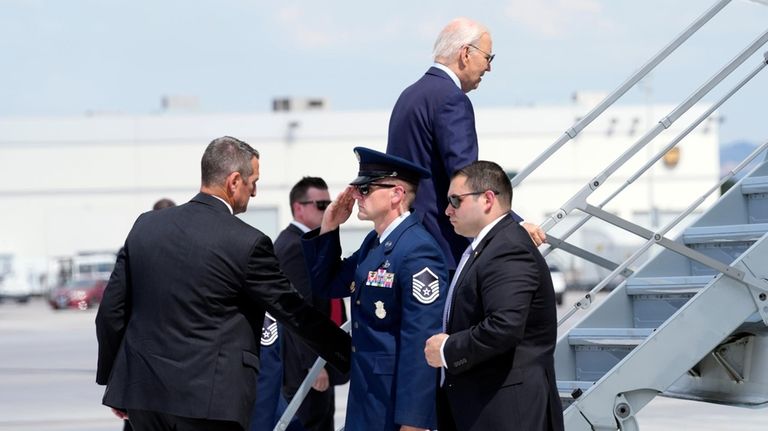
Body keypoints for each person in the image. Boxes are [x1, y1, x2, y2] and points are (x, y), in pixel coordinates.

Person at [95, 136, 351, 431]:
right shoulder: (246, 242)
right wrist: (350, 353)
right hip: (210, 402)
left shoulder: (146, 226)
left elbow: (111, 312)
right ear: (233, 181)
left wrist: (114, 379)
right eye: (253, 182)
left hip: (144, 395)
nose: (254, 192)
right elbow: (292, 310)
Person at [302, 147, 448, 431]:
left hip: (393, 405)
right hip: (366, 398)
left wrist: (414, 422)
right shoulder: (375, 242)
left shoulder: (417, 250)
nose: (356, 195)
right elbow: (327, 284)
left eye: (365, 189)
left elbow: (419, 341)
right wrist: (329, 226)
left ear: (396, 194)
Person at [386, 17, 545, 269]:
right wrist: (512, 223)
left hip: (404, 240)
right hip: (441, 246)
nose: (489, 68)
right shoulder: (451, 98)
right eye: (488, 58)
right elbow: (466, 175)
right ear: (465, 54)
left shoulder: (408, 96)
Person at [424, 160, 563, 431]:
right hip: (486, 406)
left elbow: (504, 326)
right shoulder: (490, 245)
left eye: (455, 200)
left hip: (506, 411)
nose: (447, 209)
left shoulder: (507, 248)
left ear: (488, 199)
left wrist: (447, 350)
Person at [275, 177, 348, 431]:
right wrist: (314, 363)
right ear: (299, 208)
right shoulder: (294, 246)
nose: (328, 209)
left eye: (329, 203)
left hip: (320, 358)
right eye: (321, 204)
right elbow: (297, 310)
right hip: (307, 366)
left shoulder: (310, 242)